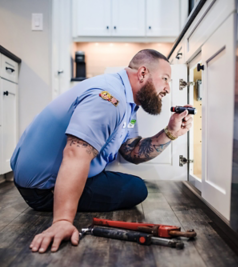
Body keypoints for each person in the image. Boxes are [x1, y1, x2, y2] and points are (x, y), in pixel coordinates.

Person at [10, 49, 193, 253]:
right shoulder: (109, 99)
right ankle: (59, 202)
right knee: (136, 188)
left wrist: (170, 132)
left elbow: (132, 151)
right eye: (165, 79)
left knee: (134, 185)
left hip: (40, 180)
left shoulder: (126, 101)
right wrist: (62, 220)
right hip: (42, 190)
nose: (168, 88)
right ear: (142, 73)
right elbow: (75, 154)